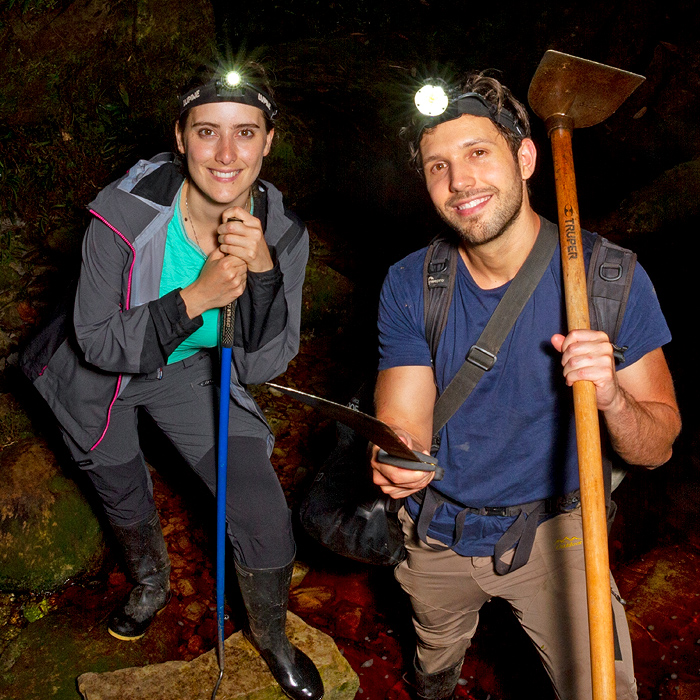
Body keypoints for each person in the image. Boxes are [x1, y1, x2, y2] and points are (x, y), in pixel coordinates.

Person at [370, 71, 680, 700]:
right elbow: (404, 424)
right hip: (439, 531)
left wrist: (613, 398)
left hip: (557, 533)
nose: (459, 182)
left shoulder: (608, 279)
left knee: (605, 691)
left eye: (478, 152)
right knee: (434, 653)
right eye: (437, 166)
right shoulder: (411, 285)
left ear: (526, 156)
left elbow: (657, 447)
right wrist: (397, 460)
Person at [22, 62, 323, 700]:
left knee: (262, 509)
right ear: (180, 137)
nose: (225, 153)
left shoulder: (285, 233)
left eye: (246, 133)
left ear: (269, 141)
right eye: (206, 131)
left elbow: (267, 364)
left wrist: (264, 274)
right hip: (93, 378)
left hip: (188, 373)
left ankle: (272, 638)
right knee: (122, 487)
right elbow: (98, 340)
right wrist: (196, 298)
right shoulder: (121, 214)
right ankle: (150, 583)